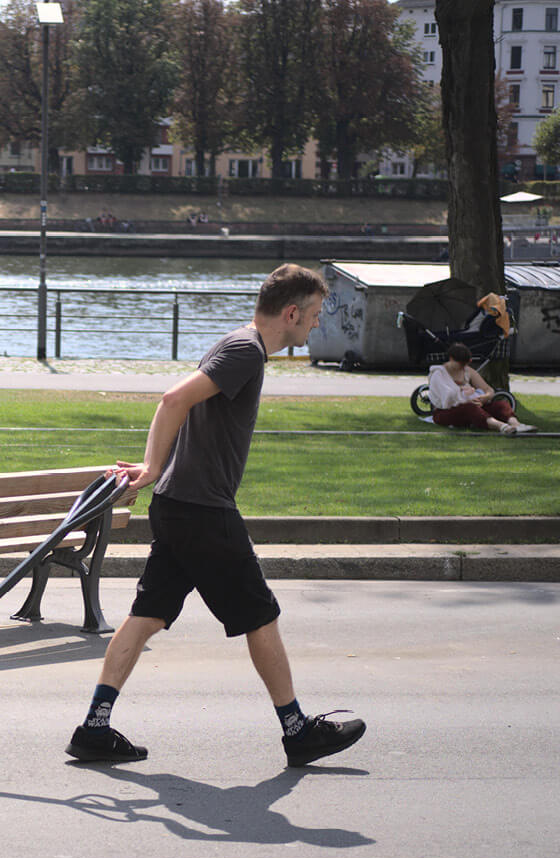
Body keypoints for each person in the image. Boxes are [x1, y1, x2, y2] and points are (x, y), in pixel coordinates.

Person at [66, 263, 367, 769]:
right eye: (314, 315)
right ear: (291, 313)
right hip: (203, 511)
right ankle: (298, 733)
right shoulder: (246, 351)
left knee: (146, 616)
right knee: (260, 615)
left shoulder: (238, 344)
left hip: (179, 507)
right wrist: (153, 465)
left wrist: (156, 471)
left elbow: (184, 406)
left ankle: (94, 727)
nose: (316, 324)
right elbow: (174, 399)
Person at [428, 343, 536, 435]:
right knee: (470, 408)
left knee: (501, 404)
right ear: (451, 359)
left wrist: (484, 397)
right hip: (445, 412)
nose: (463, 367)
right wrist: (466, 398)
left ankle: (516, 425)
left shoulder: (467, 370)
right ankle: (502, 427)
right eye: (461, 364)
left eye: (466, 364)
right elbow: (447, 397)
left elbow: (488, 389)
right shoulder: (438, 373)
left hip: (472, 405)